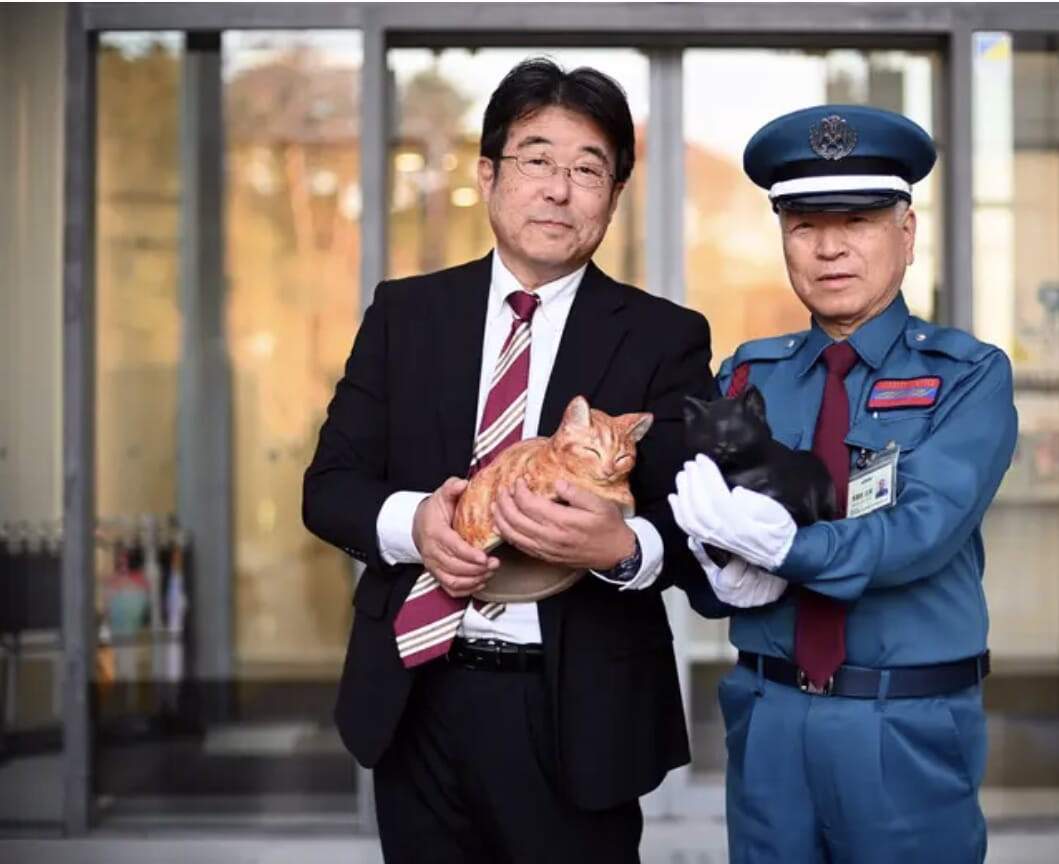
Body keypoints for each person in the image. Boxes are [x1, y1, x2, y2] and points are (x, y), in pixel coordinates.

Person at [303, 58, 713, 864]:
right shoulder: (404, 315)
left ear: (613, 196)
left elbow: (693, 524)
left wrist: (621, 548)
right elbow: (330, 488)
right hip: (417, 696)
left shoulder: (665, 337)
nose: (558, 189)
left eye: (587, 169)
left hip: (577, 712)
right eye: (536, 160)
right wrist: (416, 525)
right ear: (489, 175)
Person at [669, 104, 1019, 864]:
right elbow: (698, 521)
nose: (829, 247)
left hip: (901, 726)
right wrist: (713, 568)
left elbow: (923, 529)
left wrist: (787, 549)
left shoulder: (967, 375)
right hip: (769, 716)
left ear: (907, 233)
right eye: (803, 225)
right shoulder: (748, 377)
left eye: (857, 220)